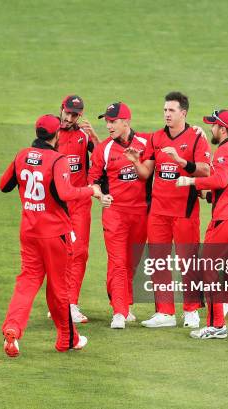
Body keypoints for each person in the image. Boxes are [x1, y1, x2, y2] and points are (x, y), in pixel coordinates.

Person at [0, 114, 102, 357]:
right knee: (59, 289)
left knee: (26, 282)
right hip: (55, 234)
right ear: (56, 136)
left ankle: (12, 328)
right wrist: (91, 190)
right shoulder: (58, 160)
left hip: (29, 232)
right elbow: (66, 193)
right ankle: (67, 339)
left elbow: (4, 186)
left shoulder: (21, 155)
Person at [126, 91, 212, 329]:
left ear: (183, 113)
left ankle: (192, 311)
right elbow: (146, 174)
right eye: (165, 110)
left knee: (188, 262)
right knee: (158, 262)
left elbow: (205, 171)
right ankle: (165, 312)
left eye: (171, 110)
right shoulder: (156, 138)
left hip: (184, 211)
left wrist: (182, 162)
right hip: (158, 213)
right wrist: (135, 162)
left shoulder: (196, 138)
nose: (166, 114)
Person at [176, 109, 228, 339]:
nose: (211, 128)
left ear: (222, 128)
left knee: (208, 268)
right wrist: (209, 196)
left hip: (227, 219)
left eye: (213, 125)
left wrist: (192, 180)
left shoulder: (225, 149)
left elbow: (220, 180)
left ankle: (216, 325)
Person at [89, 102, 149, 329]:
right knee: (117, 261)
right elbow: (93, 182)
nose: (108, 125)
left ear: (126, 122)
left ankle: (126, 304)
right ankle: (119, 312)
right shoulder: (102, 149)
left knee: (131, 262)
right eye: (106, 121)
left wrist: (196, 132)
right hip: (115, 212)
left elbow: (170, 140)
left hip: (141, 212)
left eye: (113, 121)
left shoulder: (146, 142)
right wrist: (99, 196)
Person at [56, 95, 100, 323]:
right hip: (57, 206)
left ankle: (71, 303)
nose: (70, 117)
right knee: (58, 255)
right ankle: (59, 301)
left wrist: (94, 135)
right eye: (68, 112)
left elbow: (104, 158)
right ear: (61, 109)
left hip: (80, 204)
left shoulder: (83, 136)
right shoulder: (51, 132)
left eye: (75, 115)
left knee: (80, 252)